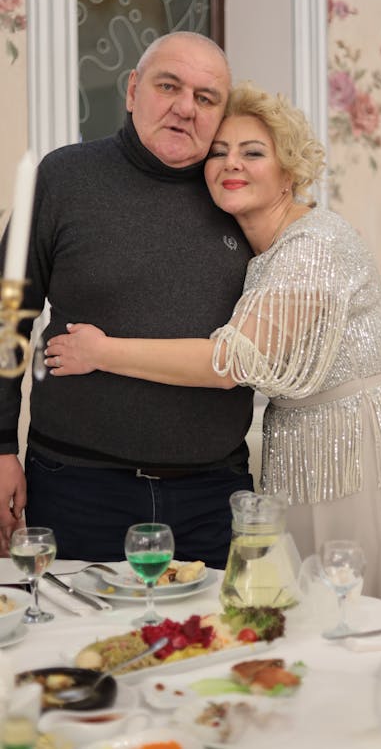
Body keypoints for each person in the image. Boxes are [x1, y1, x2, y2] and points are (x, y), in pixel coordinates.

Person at [45, 82, 381, 615]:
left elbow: (230, 363)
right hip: (303, 464)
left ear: (289, 170)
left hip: (357, 465)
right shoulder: (266, 248)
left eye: (253, 153)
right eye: (219, 152)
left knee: (361, 626)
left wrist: (101, 352)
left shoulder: (311, 246)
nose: (231, 164)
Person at [0, 32, 255, 567]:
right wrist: (0, 447)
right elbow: (8, 319)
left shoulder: (241, 194)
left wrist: (360, 295)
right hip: (77, 488)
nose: (186, 108)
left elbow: (310, 255)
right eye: (169, 86)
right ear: (133, 90)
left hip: (212, 495)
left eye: (206, 98)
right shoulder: (64, 177)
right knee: (72, 647)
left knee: (215, 646)